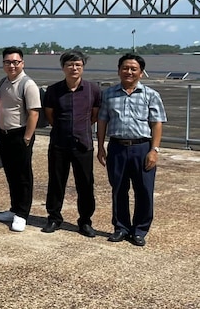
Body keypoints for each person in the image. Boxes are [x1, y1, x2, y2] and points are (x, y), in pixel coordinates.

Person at [97, 53, 166, 247]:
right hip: (117, 147)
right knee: (119, 189)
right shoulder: (109, 93)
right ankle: (121, 228)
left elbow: (157, 124)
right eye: (125, 68)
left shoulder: (151, 94)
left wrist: (155, 150)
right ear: (119, 70)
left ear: (141, 73)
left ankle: (140, 230)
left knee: (144, 190)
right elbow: (102, 120)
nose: (129, 72)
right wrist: (100, 146)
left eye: (133, 69)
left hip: (142, 147)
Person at [43, 51, 102, 236]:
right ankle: (54, 218)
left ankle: (85, 221)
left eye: (78, 64)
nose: (74, 68)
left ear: (83, 67)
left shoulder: (93, 90)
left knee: (85, 184)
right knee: (56, 182)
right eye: (69, 64)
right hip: (59, 143)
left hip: (83, 144)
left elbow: (94, 115)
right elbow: (50, 115)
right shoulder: (53, 90)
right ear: (63, 67)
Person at [0, 47, 41, 232]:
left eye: (15, 62)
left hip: (20, 135)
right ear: (3, 64)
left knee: (23, 177)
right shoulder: (3, 82)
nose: (12, 65)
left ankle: (22, 214)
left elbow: (34, 113)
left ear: (22, 63)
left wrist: (27, 138)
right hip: (4, 135)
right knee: (11, 175)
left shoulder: (28, 84)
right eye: (8, 62)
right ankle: (14, 209)